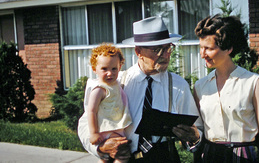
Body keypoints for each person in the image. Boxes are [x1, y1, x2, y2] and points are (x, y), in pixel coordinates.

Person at [78, 17, 203, 162]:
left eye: (168, 48)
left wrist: (194, 137)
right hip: (126, 156)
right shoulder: (117, 82)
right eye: (157, 50)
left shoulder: (178, 85)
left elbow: (197, 131)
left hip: (163, 157)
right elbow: (84, 125)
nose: (165, 55)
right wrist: (100, 147)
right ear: (138, 51)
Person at [193, 14, 259, 162]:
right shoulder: (200, 86)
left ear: (228, 49)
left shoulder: (253, 83)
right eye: (201, 48)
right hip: (210, 155)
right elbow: (197, 130)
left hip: (245, 156)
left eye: (208, 48)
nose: (202, 54)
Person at [81, 43, 132, 163]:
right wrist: (93, 133)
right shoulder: (99, 89)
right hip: (106, 129)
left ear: (119, 67)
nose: (110, 73)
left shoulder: (115, 84)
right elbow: (91, 111)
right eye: (104, 69)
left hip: (115, 127)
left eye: (114, 68)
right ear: (95, 69)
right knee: (122, 153)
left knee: (107, 158)